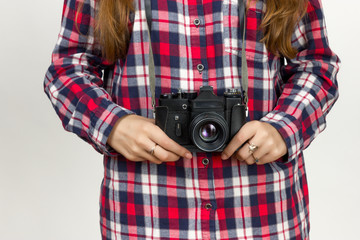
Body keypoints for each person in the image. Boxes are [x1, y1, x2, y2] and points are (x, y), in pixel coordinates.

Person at [43, 0, 339, 239]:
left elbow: (316, 65)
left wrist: (284, 128)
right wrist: (113, 125)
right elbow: (67, 68)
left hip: (262, 211)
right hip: (146, 214)